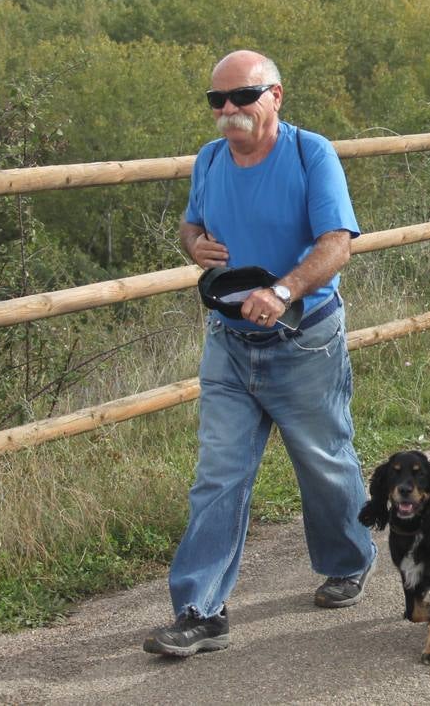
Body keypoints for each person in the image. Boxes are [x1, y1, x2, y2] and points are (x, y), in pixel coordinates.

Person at [144, 50, 375, 657]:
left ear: (275, 96)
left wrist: (282, 290)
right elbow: (191, 226)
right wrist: (195, 245)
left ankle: (348, 560)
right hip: (229, 342)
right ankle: (201, 609)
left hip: (304, 339)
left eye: (241, 97)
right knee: (218, 474)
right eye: (216, 101)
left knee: (324, 462)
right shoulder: (210, 159)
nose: (228, 111)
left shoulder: (310, 153)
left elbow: (336, 244)